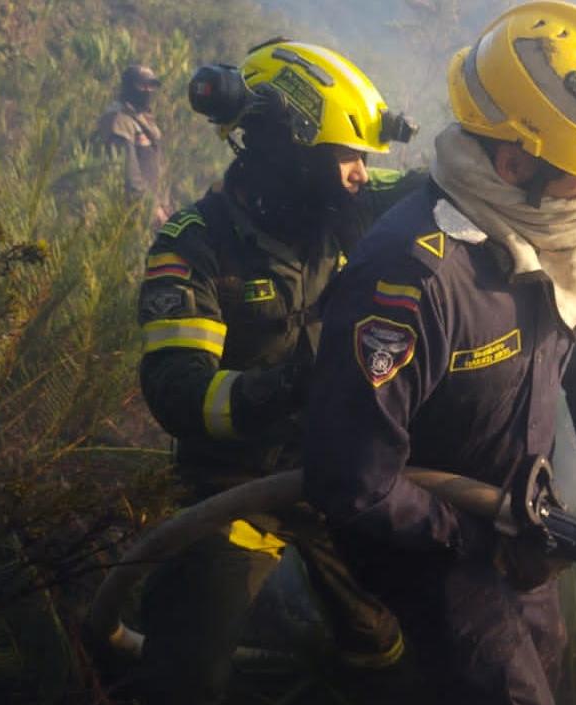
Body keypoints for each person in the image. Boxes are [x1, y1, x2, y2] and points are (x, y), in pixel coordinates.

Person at [302, 3, 576, 703]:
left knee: (546, 663)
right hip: (418, 547)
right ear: (511, 159)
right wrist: (479, 538)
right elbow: (352, 479)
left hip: (511, 538)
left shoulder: (563, 244)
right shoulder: (417, 275)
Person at [133, 38, 424, 704]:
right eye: (347, 156)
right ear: (287, 150)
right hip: (231, 489)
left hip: (342, 478)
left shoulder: (346, 209)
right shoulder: (195, 245)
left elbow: (432, 188)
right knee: (187, 676)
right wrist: (291, 386)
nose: (360, 173)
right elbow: (177, 393)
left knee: (388, 658)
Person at [94, 65, 171, 227]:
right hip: (131, 215)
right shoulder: (119, 121)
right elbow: (129, 174)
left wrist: (163, 206)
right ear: (130, 87)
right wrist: (152, 210)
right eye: (142, 85)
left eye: (151, 85)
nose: (147, 90)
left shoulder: (143, 119)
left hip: (152, 210)